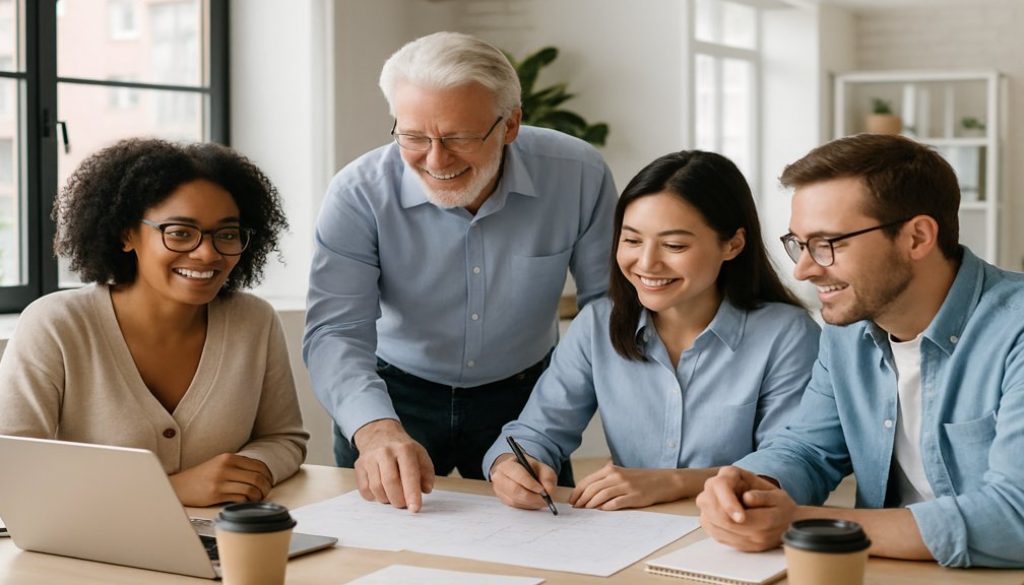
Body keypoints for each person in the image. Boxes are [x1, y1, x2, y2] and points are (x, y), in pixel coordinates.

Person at [303, 31, 617, 513]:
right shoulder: (358, 192)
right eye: (413, 137)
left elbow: (607, 310)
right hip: (392, 396)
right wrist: (375, 429)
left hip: (525, 396)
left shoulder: (578, 174)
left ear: (510, 124)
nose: (435, 160)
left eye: (459, 137)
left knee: (540, 547)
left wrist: (544, 429)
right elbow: (335, 330)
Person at [696, 133, 1024, 568]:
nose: (804, 269)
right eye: (798, 243)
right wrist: (750, 486)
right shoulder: (847, 329)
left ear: (917, 237)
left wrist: (803, 523)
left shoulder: (1013, 329)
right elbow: (808, 450)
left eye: (829, 243)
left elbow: (1013, 517)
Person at [484, 150, 820, 511]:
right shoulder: (598, 325)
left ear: (733, 244)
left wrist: (673, 482)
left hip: (739, 533)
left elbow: (791, 467)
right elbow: (537, 431)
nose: (646, 263)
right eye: (631, 240)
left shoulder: (786, 335)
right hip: (629, 534)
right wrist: (513, 464)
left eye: (674, 245)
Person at [0, 138, 309, 507]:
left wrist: (246, 471)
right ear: (126, 234)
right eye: (179, 233)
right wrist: (173, 490)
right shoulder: (56, 324)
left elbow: (284, 438)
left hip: (224, 538)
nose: (207, 253)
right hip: (91, 547)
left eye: (226, 234)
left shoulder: (254, 321)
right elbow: (12, 467)